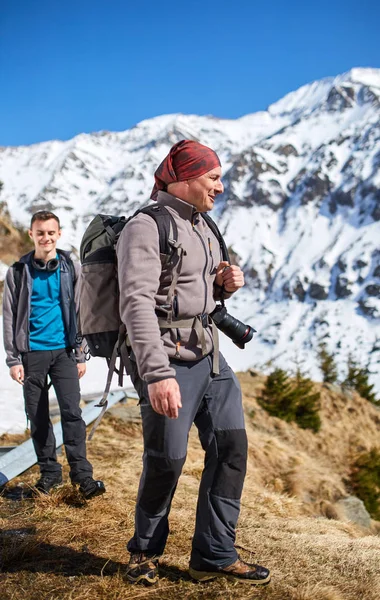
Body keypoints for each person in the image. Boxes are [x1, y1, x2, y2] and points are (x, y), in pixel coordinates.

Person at [117, 140, 270, 586]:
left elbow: (194, 292)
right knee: (168, 457)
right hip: (168, 361)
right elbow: (136, 304)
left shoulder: (203, 225)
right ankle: (143, 553)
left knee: (231, 449)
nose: (220, 187)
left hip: (211, 359)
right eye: (214, 177)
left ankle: (214, 554)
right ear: (184, 179)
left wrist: (224, 285)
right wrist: (158, 374)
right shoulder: (145, 228)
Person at [3, 210, 105, 499]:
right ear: (31, 235)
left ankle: (82, 477)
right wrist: (13, 360)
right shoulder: (18, 271)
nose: (45, 237)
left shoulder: (69, 266)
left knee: (73, 413)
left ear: (58, 234)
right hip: (32, 353)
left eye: (51, 232)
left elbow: (81, 312)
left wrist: (81, 354)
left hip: (64, 353)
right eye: (40, 232)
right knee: (37, 417)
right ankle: (49, 474)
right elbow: (9, 317)